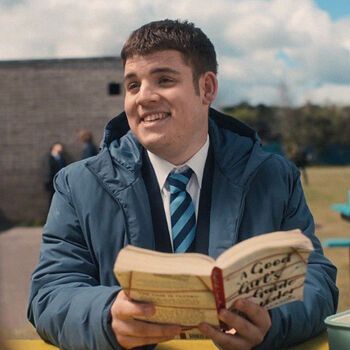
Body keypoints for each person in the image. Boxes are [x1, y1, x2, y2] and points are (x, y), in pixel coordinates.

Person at [28, 20, 338, 350]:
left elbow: (315, 280)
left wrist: (275, 323)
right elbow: (49, 293)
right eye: (132, 85)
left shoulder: (275, 177)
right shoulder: (78, 185)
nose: (143, 97)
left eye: (164, 79)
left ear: (207, 88)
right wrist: (106, 317)